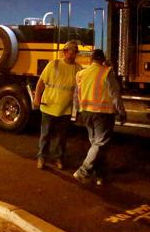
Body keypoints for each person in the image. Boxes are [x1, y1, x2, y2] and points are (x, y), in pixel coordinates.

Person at [73, 49, 126, 186]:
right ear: (103, 59)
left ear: (91, 60)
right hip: (103, 113)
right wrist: (121, 112)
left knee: (95, 146)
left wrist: (77, 112)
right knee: (100, 144)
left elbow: (76, 95)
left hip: (86, 112)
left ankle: (99, 175)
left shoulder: (81, 74)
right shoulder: (106, 72)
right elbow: (115, 94)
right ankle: (83, 171)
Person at [33, 40, 81, 170]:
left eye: (75, 52)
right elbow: (41, 82)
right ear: (65, 52)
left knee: (62, 137)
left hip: (65, 109)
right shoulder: (53, 64)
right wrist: (37, 98)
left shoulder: (78, 69)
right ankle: (42, 157)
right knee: (46, 135)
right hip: (49, 106)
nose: (74, 55)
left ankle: (58, 158)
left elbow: (79, 90)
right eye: (72, 52)